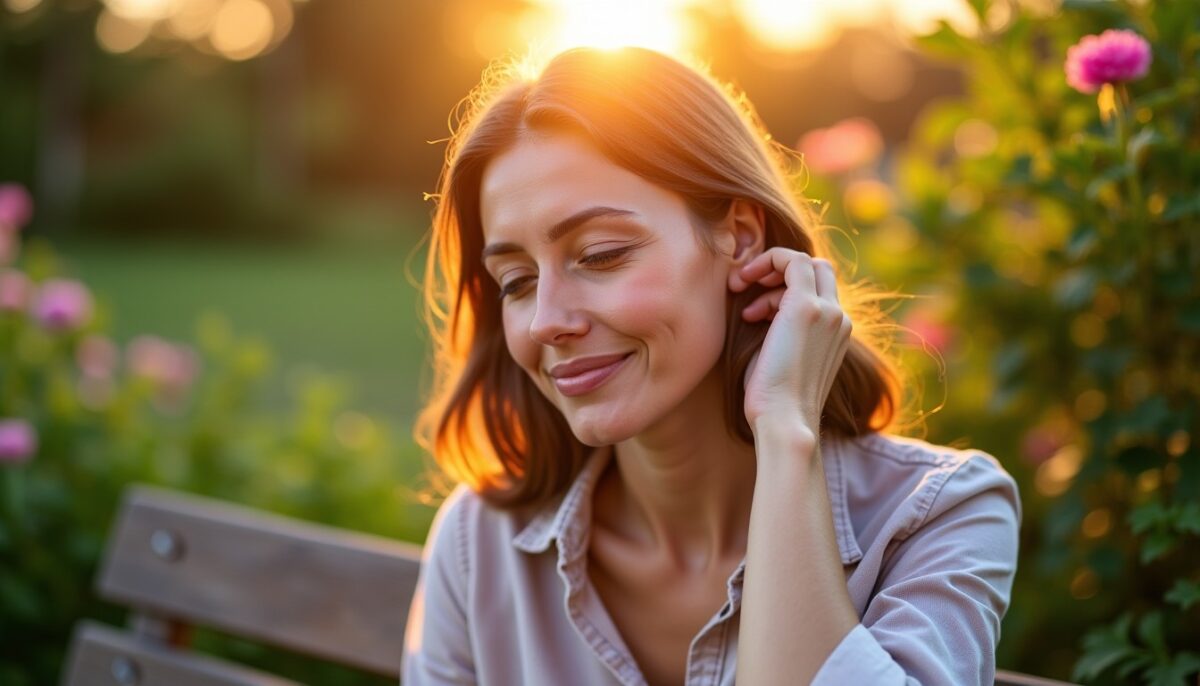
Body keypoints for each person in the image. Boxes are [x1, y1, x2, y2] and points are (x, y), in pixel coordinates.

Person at [401, 46, 1020, 686]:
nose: (545, 321)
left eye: (601, 254)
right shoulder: (480, 543)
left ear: (741, 238)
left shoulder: (937, 515)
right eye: (516, 281)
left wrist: (786, 428)